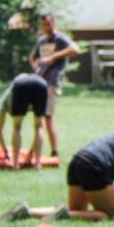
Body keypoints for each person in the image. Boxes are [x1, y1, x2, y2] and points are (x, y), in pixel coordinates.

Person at [0, 110, 114, 222]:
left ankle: (27, 211)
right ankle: (64, 215)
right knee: (109, 215)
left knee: (78, 212)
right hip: (95, 166)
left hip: (79, 160)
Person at [28, 13, 79, 158]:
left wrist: (53, 56)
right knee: (39, 117)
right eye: (43, 24)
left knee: (48, 116)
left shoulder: (60, 38)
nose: (46, 27)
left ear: (53, 23)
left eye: (48, 24)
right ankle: (35, 150)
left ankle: (54, 151)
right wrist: (36, 66)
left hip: (52, 82)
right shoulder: (42, 41)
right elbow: (32, 57)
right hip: (40, 82)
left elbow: (75, 49)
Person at [0, 73, 48, 170]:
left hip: (21, 85)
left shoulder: (5, 98)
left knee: (17, 127)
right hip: (41, 83)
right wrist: (31, 153)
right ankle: (38, 164)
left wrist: (5, 151)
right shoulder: (10, 95)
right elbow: (41, 127)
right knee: (39, 127)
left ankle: (14, 165)